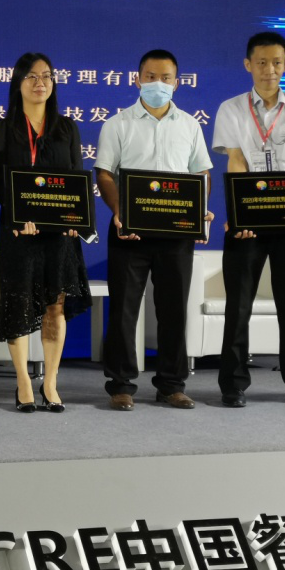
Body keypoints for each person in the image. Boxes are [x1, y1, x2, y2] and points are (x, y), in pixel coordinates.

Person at [210, 31, 285, 407]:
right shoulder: (231, 108)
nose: (269, 69)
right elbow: (236, 161)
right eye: (261, 62)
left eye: (277, 62)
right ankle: (232, 383)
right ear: (248, 65)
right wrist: (238, 216)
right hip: (249, 221)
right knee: (239, 304)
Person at [96, 48, 213, 411]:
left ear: (176, 83)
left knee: (174, 310)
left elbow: (201, 173)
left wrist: (199, 212)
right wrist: (120, 212)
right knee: (123, 310)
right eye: (150, 77)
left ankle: (172, 385)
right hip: (128, 231)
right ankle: (120, 385)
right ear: (137, 80)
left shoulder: (190, 125)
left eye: (165, 78)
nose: (158, 84)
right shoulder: (117, 124)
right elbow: (105, 173)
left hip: (176, 233)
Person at [0, 53, 92, 413]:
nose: (40, 83)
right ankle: (22, 382)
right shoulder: (3, 128)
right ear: (18, 83)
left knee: (54, 306)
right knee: (18, 303)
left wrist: (74, 218)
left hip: (58, 236)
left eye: (46, 76)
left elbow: (76, 178)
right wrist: (20, 217)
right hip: (19, 232)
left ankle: (50, 383)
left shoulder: (67, 128)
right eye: (31, 76)